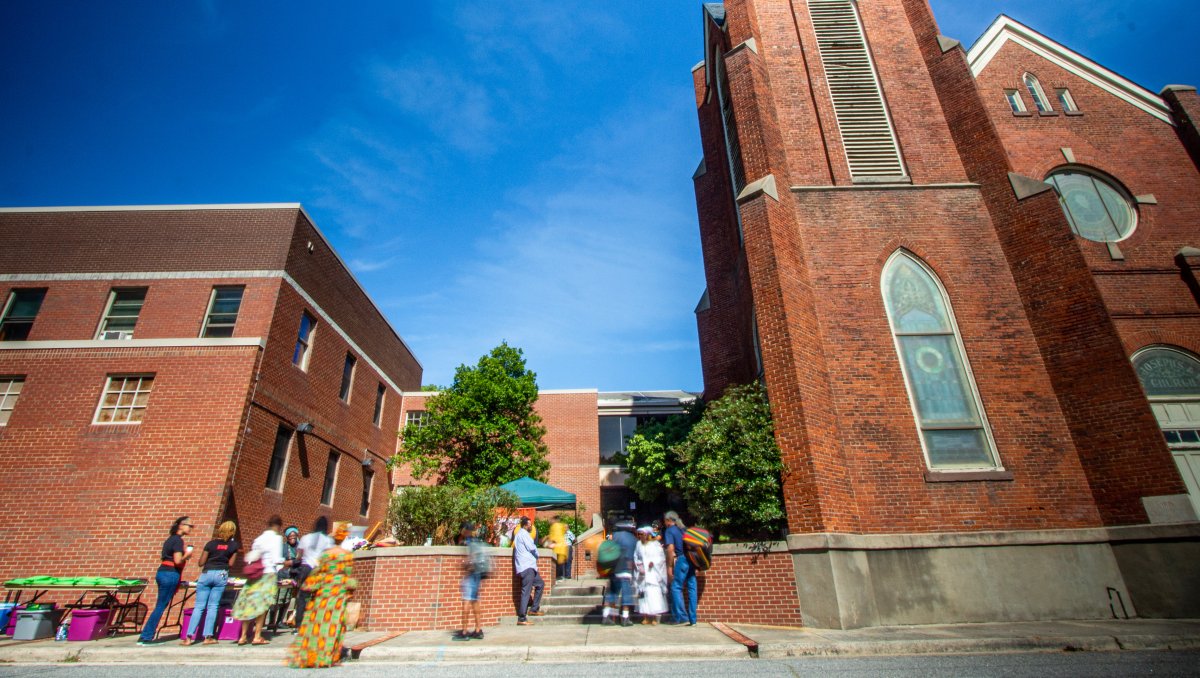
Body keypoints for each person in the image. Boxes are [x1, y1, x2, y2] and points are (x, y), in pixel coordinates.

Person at [288, 521, 357, 668]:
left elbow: (318, 570)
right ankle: (330, 656)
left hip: (323, 590)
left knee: (318, 622)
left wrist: (312, 585)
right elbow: (348, 576)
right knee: (334, 623)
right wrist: (351, 588)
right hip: (337, 592)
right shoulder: (346, 555)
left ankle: (311, 652)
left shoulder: (326, 553)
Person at [138, 516, 194, 645]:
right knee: (161, 605)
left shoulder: (169, 540)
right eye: (189, 526)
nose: (190, 528)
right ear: (181, 525)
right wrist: (188, 555)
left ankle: (146, 634)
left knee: (160, 604)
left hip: (162, 572)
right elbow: (178, 560)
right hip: (170, 574)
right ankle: (146, 636)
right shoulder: (178, 541)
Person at [182, 520, 239, 645]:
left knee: (199, 607)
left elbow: (201, 562)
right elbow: (231, 564)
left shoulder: (211, 544)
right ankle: (208, 637)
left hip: (206, 573)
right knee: (213, 606)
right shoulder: (233, 546)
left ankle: (188, 637)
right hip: (221, 574)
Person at [233, 514, 283, 645]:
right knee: (263, 605)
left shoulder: (258, 539)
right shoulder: (277, 539)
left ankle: (243, 636)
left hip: (255, 574)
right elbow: (277, 559)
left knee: (250, 603)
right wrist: (286, 562)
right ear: (278, 526)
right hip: (268, 573)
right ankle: (257, 636)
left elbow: (252, 557)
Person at [293, 517, 333, 629]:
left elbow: (299, 554)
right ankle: (315, 622)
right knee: (318, 596)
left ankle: (298, 625)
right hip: (319, 569)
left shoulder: (306, 537)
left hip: (305, 568)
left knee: (302, 597)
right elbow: (328, 556)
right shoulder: (327, 540)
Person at [452, 522, 485, 641]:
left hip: (471, 574)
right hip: (478, 574)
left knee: (466, 601)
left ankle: (464, 631)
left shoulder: (469, 541)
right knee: (475, 601)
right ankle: (478, 630)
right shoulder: (478, 540)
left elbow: (472, 558)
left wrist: (464, 565)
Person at [602, 520, 638, 626]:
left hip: (614, 568)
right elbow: (634, 555)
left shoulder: (614, 536)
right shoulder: (632, 539)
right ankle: (625, 618)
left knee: (612, 593)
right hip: (626, 569)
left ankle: (608, 616)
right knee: (626, 594)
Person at [663, 511, 697, 626]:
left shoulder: (669, 531)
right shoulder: (684, 529)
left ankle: (681, 616)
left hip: (681, 559)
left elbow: (670, 549)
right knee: (692, 588)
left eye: (665, 520)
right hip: (691, 559)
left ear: (668, 520)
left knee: (676, 587)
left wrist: (669, 567)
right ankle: (693, 618)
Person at [512, 516, 544, 625]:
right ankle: (522, 618)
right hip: (527, 567)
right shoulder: (523, 534)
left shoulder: (519, 535)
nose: (531, 526)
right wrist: (537, 554)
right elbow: (532, 547)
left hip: (529, 567)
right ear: (526, 525)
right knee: (526, 591)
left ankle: (534, 609)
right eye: (530, 524)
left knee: (540, 584)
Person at [634, 526, 668, 624]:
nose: (640, 536)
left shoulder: (655, 544)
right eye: (638, 534)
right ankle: (645, 617)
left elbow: (661, 558)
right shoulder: (638, 544)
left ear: (647, 534)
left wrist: (653, 563)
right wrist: (639, 565)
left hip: (653, 574)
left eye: (642, 534)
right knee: (643, 596)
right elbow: (636, 557)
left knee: (653, 595)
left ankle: (654, 618)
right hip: (642, 574)